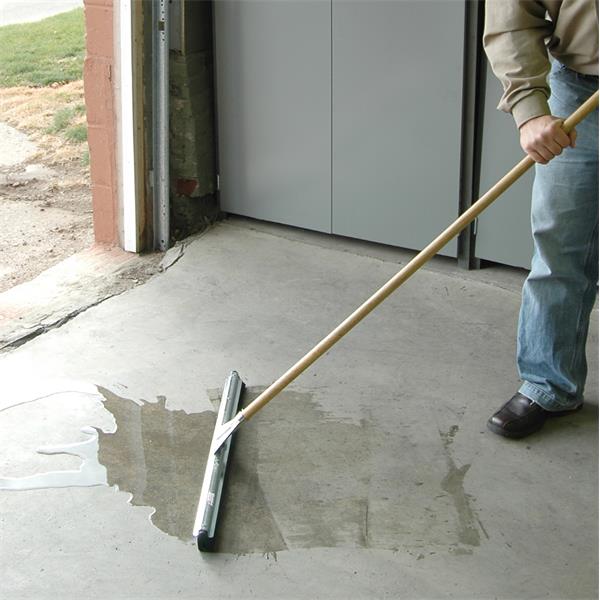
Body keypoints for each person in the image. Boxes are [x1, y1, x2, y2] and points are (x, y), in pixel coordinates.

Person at [483, 0, 599, 438]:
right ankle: (549, 384)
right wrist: (530, 108)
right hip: (579, 90)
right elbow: (511, 18)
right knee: (559, 243)